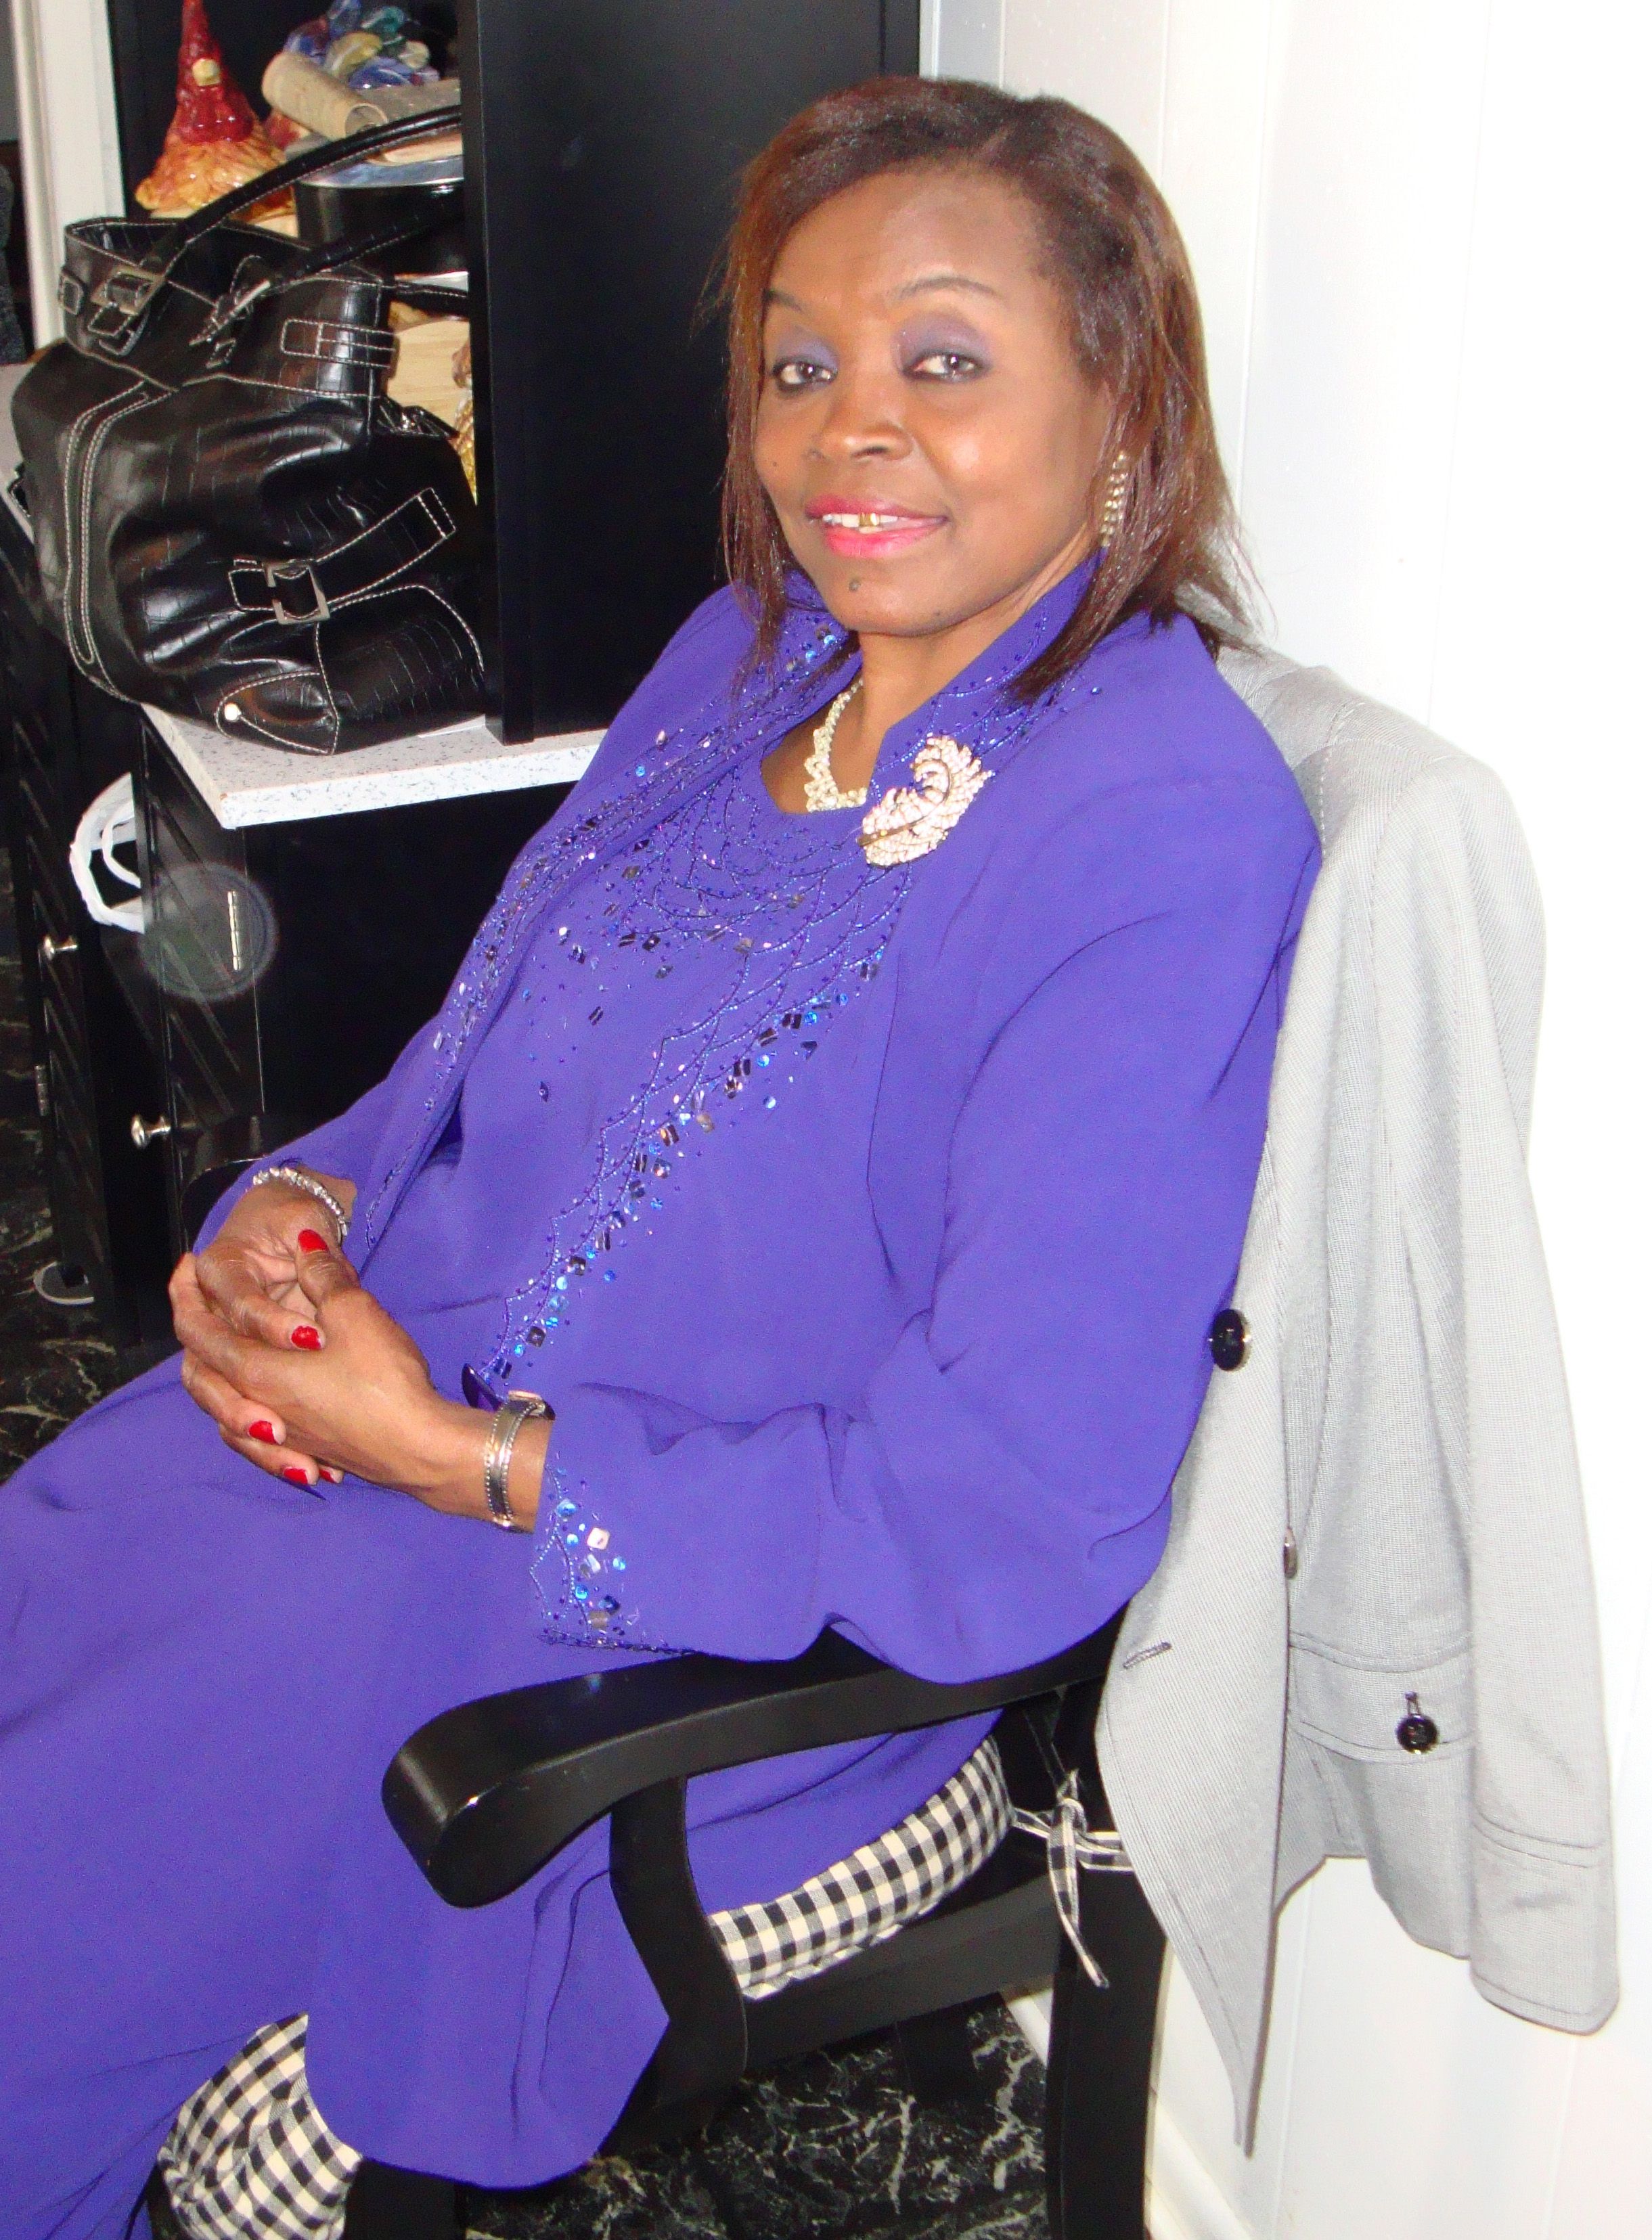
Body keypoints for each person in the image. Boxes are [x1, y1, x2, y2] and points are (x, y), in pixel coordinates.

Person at [0, 77, 1318, 2240]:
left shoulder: (1151, 836)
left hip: (624, 1610)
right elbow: (477, 1040)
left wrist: (467, 1464)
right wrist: (300, 1202)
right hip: (338, 1463)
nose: (847, 430)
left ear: (1121, 402)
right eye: (798, 367)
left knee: (51, 1904)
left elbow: (1007, 1514)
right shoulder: (751, 657)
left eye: (943, 360)